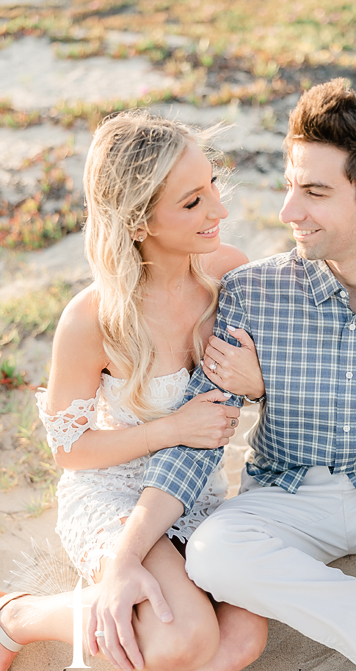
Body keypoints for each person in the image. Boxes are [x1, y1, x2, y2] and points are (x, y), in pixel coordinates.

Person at [84, 79, 356, 671]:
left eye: (314, 192)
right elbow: (198, 441)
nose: (287, 212)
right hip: (289, 497)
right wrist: (127, 552)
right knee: (213, 553)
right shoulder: (252, 290)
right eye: (288, 186)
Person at [0, 111, 269, 671]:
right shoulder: (92, 318)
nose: (219, 210)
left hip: (195, 488)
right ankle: (19, 616)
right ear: (140, 223)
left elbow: (275, 386)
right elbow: (69, 451)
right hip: (113, 493)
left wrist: (259, 384)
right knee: (180, 639)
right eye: (192, 202)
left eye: (212, 186)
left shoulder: (229, 276)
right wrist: (172, 428)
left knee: (242, 642)